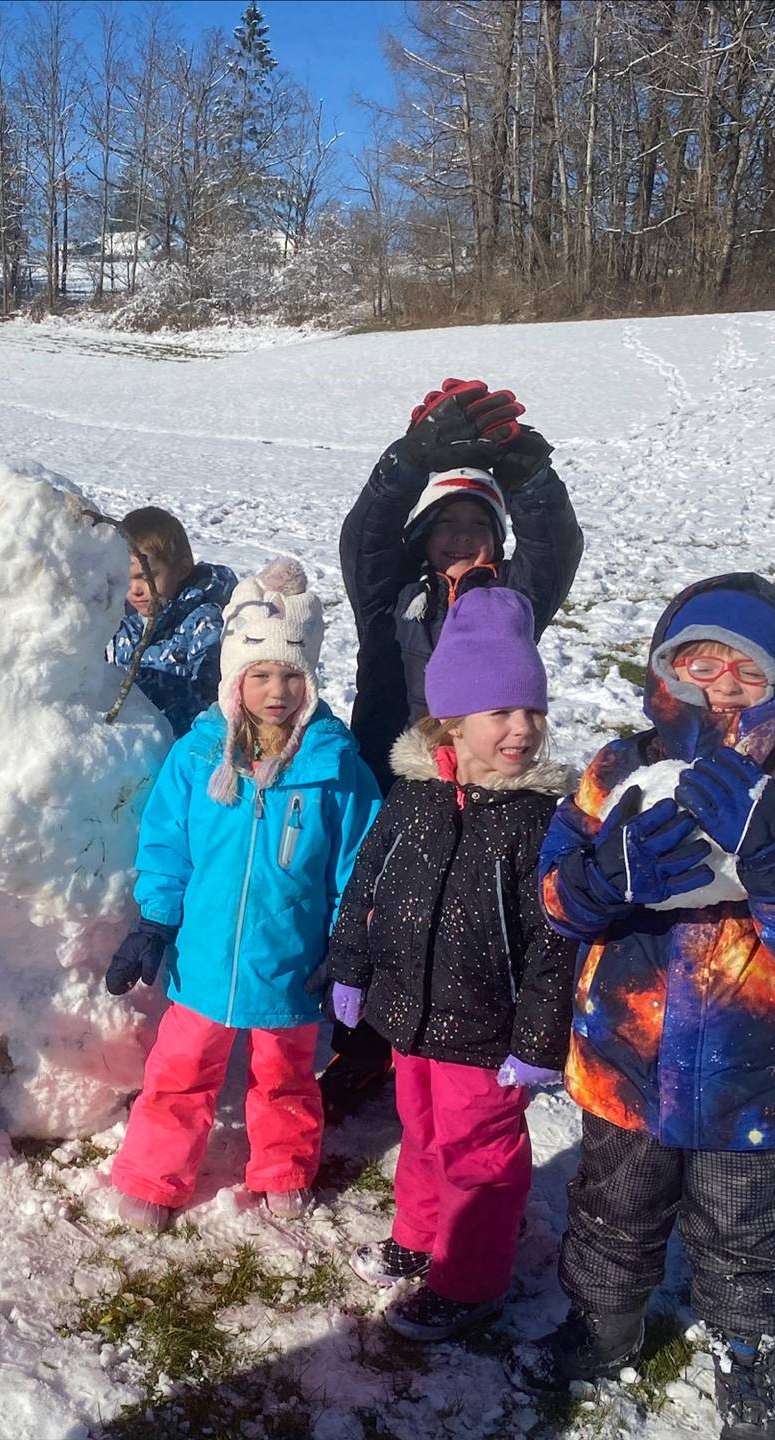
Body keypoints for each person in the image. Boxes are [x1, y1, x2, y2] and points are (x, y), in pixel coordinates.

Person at [518, 574, 775, 1440]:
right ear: (665, 672)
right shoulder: (617, 772)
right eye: (701, 665)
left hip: (755, 1081)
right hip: (625, 1063)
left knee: (748, 1233)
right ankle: (602, 1325)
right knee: (610, 1211)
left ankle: (747, 1358)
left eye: (748, 675)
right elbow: (553, 900)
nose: (721, 690)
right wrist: (603, 879)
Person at [325, 379, 585, 1122]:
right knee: (381, 914)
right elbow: (364, 538)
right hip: (393, 776)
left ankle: (465, 1039)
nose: (462, 538)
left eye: (479, 524)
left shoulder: (515, 601)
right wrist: (406, 462)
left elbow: (555, 543)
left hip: (486, 792)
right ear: (421, 537)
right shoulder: (388, 598)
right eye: (446, 526)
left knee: (464, 921)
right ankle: (363, 1046)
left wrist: (526, 472)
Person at [327, 589, 579, 1342]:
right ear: (451, 721)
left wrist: (537, 1045)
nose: (522, 729)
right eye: (501, 712)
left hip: (487, 1029)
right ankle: (418, 1236)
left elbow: (554, 944)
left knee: (481, 1155)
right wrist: (349, 965)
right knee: (422, 1131)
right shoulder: (412, 799)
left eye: (532, 712)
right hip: (410, 1014)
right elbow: (365, 883)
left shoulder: (541, 823)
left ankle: (469, 1281)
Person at [104, 557, 381, 1231]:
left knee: (285, 1077)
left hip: (289, 961)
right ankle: (153, 1174)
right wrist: (156, 922)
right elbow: (168, 843)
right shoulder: (199, 756)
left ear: (311, 680)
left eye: (291, 674)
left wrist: (350, 946)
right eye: (260, 674)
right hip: (203, 959)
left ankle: (283, 1168)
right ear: (235, 680)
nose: (276, 689)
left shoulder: (335, 768)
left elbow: (360, 864)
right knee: (179, 1072)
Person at [106, 506, 237, 737]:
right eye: (126, 579)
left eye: (146, 577)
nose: (135, 590)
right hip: (132, 741)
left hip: (182, 745)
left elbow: (211, 701)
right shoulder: (122, 620)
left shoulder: (202, 622)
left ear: (182, 569)